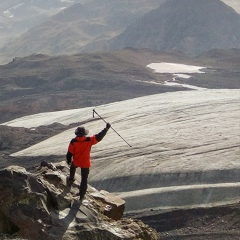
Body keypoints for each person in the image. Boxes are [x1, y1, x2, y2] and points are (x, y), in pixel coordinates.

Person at [66, 123, 111, 200]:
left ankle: (71, 179)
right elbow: (99, 137)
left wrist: (69, 160)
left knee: (73, 167)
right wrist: (106, 129)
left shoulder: (73, 141)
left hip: (76, 161)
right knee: (84, 179)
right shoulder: (89, 140)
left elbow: (70, 152)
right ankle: (81, 195)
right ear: (84, 134)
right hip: (85, 163)